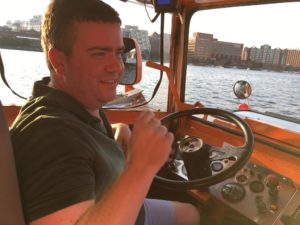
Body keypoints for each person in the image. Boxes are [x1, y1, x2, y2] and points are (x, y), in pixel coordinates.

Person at [10, 0, 201, 225]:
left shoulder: (71, 101)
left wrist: (115, 133)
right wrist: (141, 166)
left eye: (119, 53)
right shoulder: (52, 137)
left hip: (122, 206)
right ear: (59, 61)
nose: (117, 67)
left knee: (192, 213)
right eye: (99, 54)